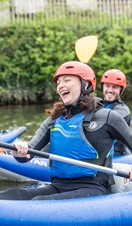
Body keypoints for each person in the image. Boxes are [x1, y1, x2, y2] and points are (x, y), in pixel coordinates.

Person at [0, 61, 132, 201]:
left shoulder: (107, 117)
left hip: (92, 188)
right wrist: (18, 152)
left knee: (39, 202)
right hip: (58, 185)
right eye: (58, 82)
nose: (60, 85)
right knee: (9, 194)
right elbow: (28, 154)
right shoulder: (55, 119)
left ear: (85, 85)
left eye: (67, 80)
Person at [98, 69, 131, 156]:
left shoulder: (123, 110)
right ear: (103, 87)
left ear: (121, 90)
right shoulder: (97, 104)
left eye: (114, 87)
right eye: (107, 86)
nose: (110, 90)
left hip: (117, 154)